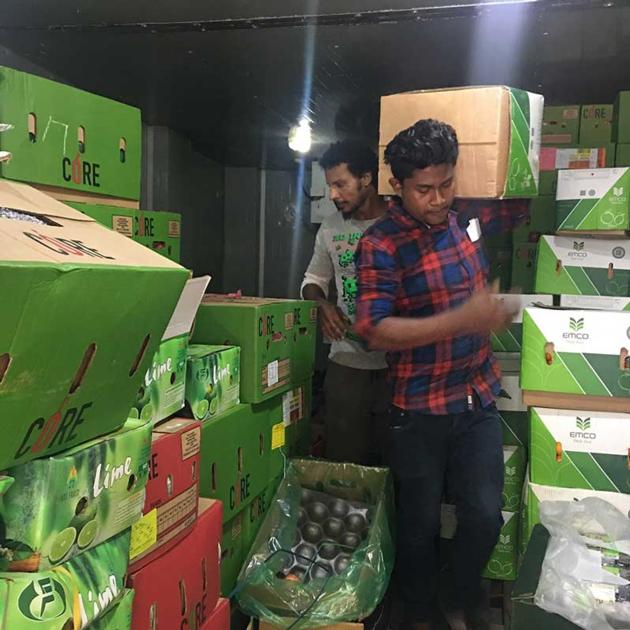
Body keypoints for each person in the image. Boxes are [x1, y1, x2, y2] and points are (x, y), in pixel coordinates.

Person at [354, 119, 529, 630]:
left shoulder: (465, 217)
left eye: (446, 184)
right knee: (420, 522)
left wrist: (519, 145)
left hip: (476, 397)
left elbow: (518, 200)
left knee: (484, 514)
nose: (438, 199)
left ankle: (462, 594)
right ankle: (418, 610)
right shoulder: (381, 244)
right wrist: (462, 319)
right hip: (418, 408)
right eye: (424, 189)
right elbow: (373, 329)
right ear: (398, 185)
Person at [301, 140, 389, 465]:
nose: (333, 195)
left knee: (394, 464)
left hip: (397, 366)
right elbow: (313, 280)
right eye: (330, 186)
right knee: (344, 464)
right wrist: (322, 305)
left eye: (341, 184)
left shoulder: (398, 225)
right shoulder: (330, 228)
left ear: (366, 178)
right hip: (345, 364)